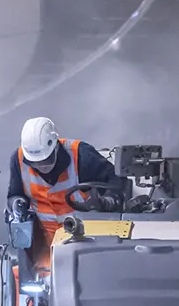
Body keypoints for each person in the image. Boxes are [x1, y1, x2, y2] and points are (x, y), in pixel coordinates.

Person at [7, 116, 117, 276]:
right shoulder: (18, 160)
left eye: (46, 161)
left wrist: (106, 202)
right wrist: (17, 204)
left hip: (85, 241)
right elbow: (14, 195)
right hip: (46, 247)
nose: (42, 167)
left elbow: (116, 184)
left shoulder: (82, 155)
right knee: (34, 281)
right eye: (36, 164)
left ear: (56, 147)